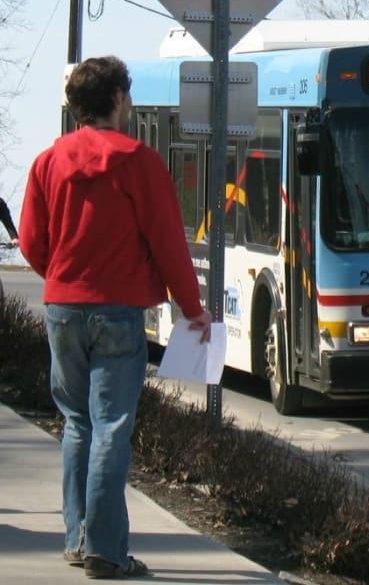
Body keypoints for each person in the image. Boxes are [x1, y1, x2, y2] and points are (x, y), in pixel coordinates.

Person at [18, 55, 212, 580]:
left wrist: (61, 276)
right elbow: (169, 243)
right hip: (120, 311)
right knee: (111, 426)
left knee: (77, 423)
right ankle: (105, 548)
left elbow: (33, 243)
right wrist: (192, 310)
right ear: (120, 100)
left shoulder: (47, 162)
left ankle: (77, 538)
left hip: (63, 307)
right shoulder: (139, 163)